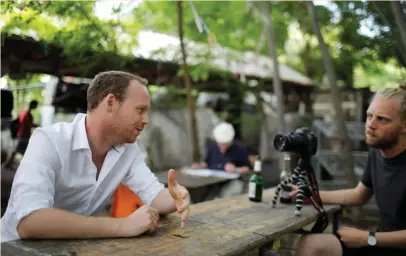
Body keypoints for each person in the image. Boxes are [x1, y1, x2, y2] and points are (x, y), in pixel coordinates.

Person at [1, 71, 191, 242]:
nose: (146, 120)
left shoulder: (128, 150)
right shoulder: (50, 140)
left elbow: (154, 196)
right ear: (110, 103)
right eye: (140, 110)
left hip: (68, 248)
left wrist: (177, 197)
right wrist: (123, 225)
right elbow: (29, 222)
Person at [293, 82, 406, 256]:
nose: (371, 125)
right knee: (311, 244)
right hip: (380, 244)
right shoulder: (377, 152)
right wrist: (308, 195)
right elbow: (359, 195)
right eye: (369, 116)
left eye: (382, 119)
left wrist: (367, 238)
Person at [191, 122, 252, 197]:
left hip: (232, 182)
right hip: (212, 181)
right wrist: (199, 166)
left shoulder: (239, 149)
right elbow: (207, 163)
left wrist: (236, 169)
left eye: (225, 144)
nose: (222, 146)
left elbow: (248, 169)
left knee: (228, 193)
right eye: (220, 144)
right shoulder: (212, 147)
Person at [2, 100, 39, 169]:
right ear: (33, 105)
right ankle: (10, 164)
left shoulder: (23, 112)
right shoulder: (27, 114)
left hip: (21, 134)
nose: (36, 107)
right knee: (24, 151)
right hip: (24, 135)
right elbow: (28, 124)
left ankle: (8, 164)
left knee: (16, 150)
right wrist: (37, 126)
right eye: (36, 105)